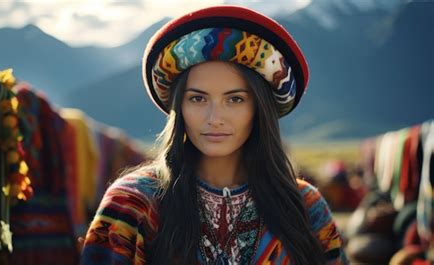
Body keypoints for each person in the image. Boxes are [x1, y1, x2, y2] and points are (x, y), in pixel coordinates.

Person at [81, 5, 349, 265]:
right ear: (179, 108)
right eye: (197, 98)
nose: (214, 118)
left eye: (235, 100)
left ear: (259, 108)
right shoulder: (132, 203)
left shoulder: (304, 206)